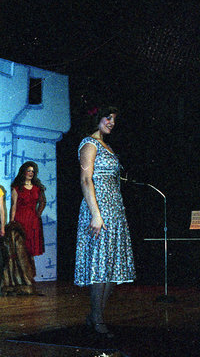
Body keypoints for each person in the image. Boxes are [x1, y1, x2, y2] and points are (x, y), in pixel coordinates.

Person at [74, 106, 136, 337]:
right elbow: (85, 180)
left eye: (114, 119)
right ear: (96, 118)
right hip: (97, 210)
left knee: (111, 267)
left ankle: (95, 315)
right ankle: (97, 318)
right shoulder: (89, 144)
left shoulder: (107, 146)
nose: (112, 122)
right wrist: (96, 214)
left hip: (115, 211)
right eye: (108, 118)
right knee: (100, 265)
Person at [2, 162, 46, 295]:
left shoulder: (38, 188)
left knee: (31, 250)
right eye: (28, 170)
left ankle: (28, 279)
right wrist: (11, 223)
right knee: (22, 250)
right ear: (23, 172)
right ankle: (22, 279)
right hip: (20, 221)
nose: (31, 173)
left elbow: (42, 202)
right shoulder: (17, 188)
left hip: (33, 222)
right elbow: (14, 206)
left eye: (33, 171)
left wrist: (37, 214)